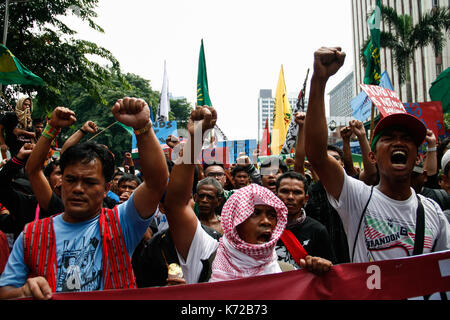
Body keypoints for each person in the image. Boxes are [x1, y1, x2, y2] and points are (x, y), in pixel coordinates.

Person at [0, 97, 168, 300]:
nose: (78, 189)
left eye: (89, 182)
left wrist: (143, 127)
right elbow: (5, 291)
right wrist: (24, 292)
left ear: (107, 189)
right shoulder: (32, 234)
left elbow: (156, 183)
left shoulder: (122, 223)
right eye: (71, 179)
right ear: (61, 183)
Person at [304, 46, 450, 263]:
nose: (399, 142)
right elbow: (317, 156)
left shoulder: (433, 212)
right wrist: (319, 80)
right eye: (389, 138)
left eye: (407, 139)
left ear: (417, 158)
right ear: (371, 157)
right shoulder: (357, 198)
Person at [163, 105, 331, 285]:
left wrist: (320, 276)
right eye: (255, 213)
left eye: (272, 215)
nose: (267, 221)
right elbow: (176, 206)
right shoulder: (208, 253)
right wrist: (196, 137)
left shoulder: (286, 272)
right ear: (235, 219)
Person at [275, 171, 336, 266]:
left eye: (297, 192)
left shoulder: (317, 230)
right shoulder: (266, 228)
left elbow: (330, 269)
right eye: (285, 191)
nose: (290, 197)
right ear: (276, 195)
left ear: (305, 199)